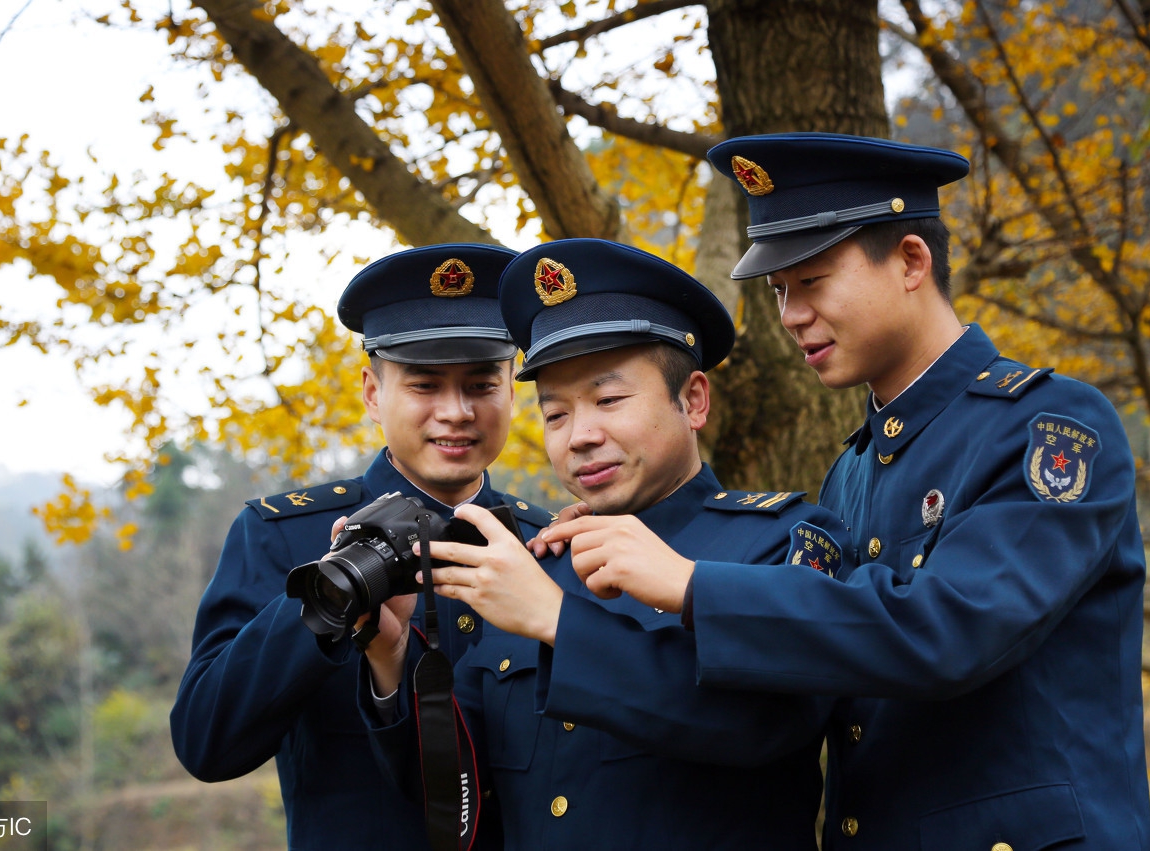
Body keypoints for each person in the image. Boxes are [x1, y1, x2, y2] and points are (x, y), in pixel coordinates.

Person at [532, 134, 1150, 849]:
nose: (790, 314)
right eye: (778, 291)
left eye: (813, 280)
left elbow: (950, 629)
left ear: (912, 262)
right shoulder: (852, 472)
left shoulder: (1050, 427)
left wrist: (694, 584)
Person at [357, 238, 852, 850]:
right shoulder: (537, 565)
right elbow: (456, 797)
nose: (581, 436)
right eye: (556, 414)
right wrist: (390, 655)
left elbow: (766, 727)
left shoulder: (779, 544)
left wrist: (557, 622)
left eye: (609, 400)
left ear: (693, 400)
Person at [170, 244, 554, 850]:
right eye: (424, 384)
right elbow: (207, 744)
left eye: (482, 383)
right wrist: (328, 598)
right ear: (373, 392)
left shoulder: (546, 543)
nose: (456, 412)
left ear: (512, 388)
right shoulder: (282, 535)